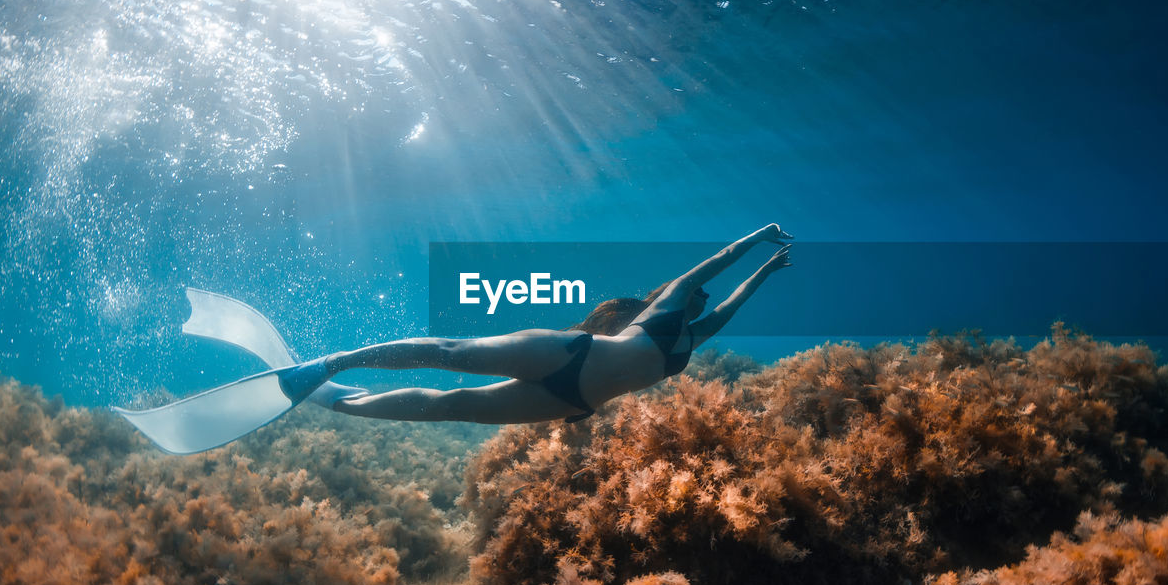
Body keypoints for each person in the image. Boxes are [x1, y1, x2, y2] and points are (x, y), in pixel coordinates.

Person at [281, 224, 793, 423]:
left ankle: (336, 398)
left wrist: (768, 272)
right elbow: (723, 258)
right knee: (450, 353)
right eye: (699, 291)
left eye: (706, 298)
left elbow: (736, 301)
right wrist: (760, 240)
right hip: (569, 352)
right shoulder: (665, 308)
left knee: (448, 407)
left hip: (570, 401)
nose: (705, 297)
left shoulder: (694, 337)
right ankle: (329, 364)